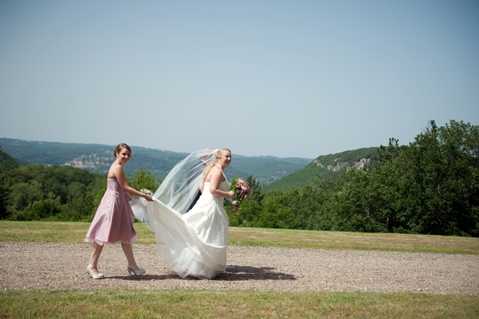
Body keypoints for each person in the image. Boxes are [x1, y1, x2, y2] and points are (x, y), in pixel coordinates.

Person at [131, 148, 235, 279]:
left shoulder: (209, 169)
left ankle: (200, 266)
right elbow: (213, 190)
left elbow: (202, 188)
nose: (229, 159)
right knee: (204, 234)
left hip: (206, 203)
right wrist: (228, 194)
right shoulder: (218, 171)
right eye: (227, 156)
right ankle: (203, 267)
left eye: (230, 157)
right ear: (219, 157)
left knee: (200, 232)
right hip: (211, 206)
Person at [85, 143, 153, 279]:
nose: (126, 156)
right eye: (123, 154)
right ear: (116, 153)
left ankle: (132, 265)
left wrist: (132, 198)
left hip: (118, 203)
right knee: (103, 234)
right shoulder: (118, 168)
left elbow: (121, 188)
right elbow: (125, 186)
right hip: (113, 205)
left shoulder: (118, 167)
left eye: (128, 154)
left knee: (126, 233)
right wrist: (143, 195)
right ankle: (92, 265)